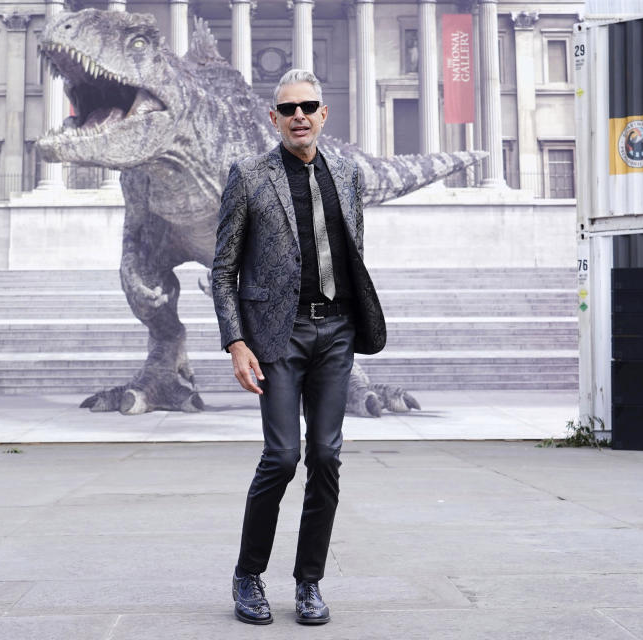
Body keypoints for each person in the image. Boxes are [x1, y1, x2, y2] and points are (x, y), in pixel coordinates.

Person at [212, 68, 386, 626]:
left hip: (336, 333)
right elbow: (223, 270)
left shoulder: (349, 173)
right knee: (283, 456)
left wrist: (355, 324)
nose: (299, 116)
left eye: (309, 106)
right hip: (277, 338)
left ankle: (309, 583)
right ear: (274, 118)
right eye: (288, 109)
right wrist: (237, 341)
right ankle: (248, 575)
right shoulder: (248, 175)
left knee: (327, 456)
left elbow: (353, 251)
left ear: (324, 113)